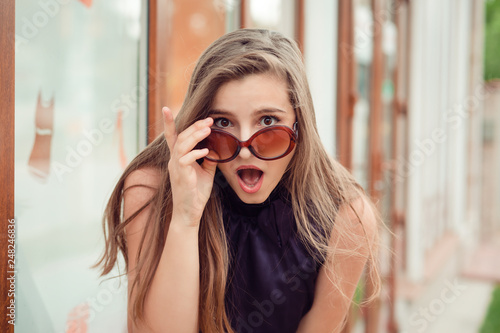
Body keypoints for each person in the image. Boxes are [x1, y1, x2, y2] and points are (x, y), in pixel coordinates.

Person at [95, 28, 380, 333]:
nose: (245, 147)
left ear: (300, 126)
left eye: (268, 122)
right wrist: (185, 218)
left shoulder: (345, 214)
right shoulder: (151, 188)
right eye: (223, 123)